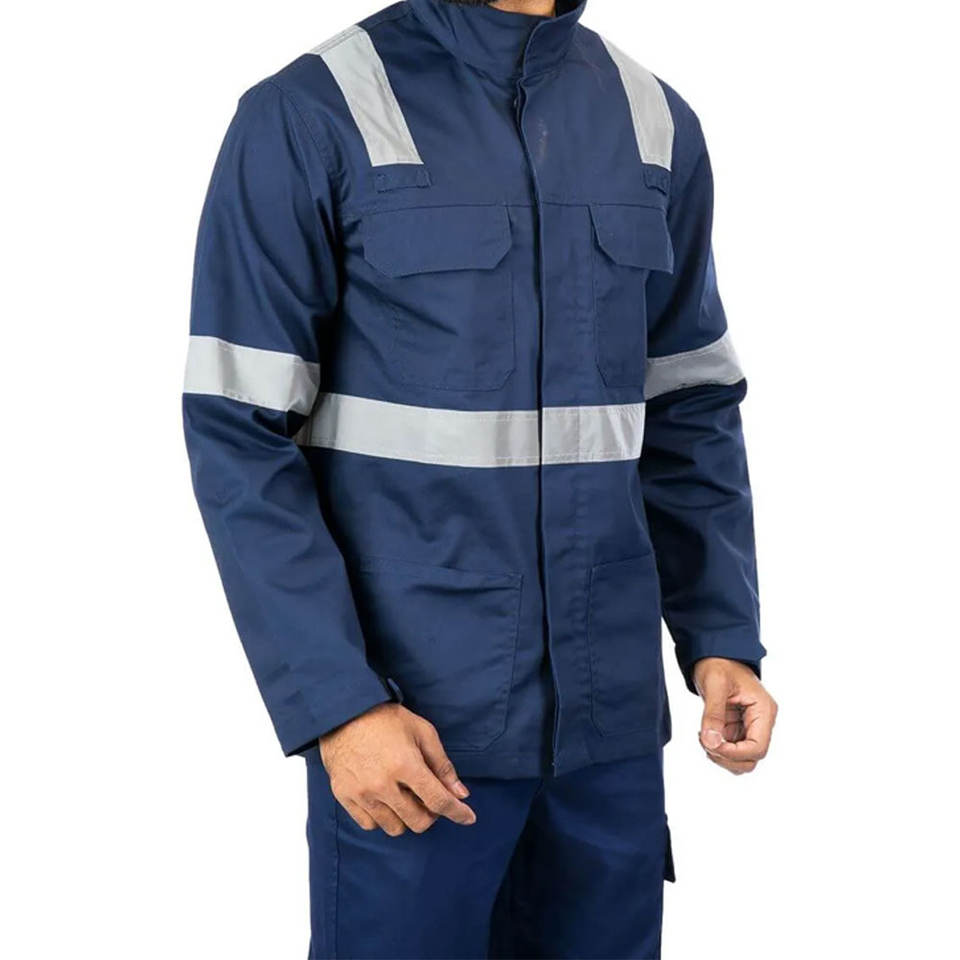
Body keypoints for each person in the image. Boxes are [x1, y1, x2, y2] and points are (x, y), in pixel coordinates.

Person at [183, 0, 778, 956]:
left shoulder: (653, 118)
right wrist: (338, 704)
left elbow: (689, 408)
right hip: (411, 734)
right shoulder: (312, 111)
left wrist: (721, 641)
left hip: (609, 736)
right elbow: (239, 432)